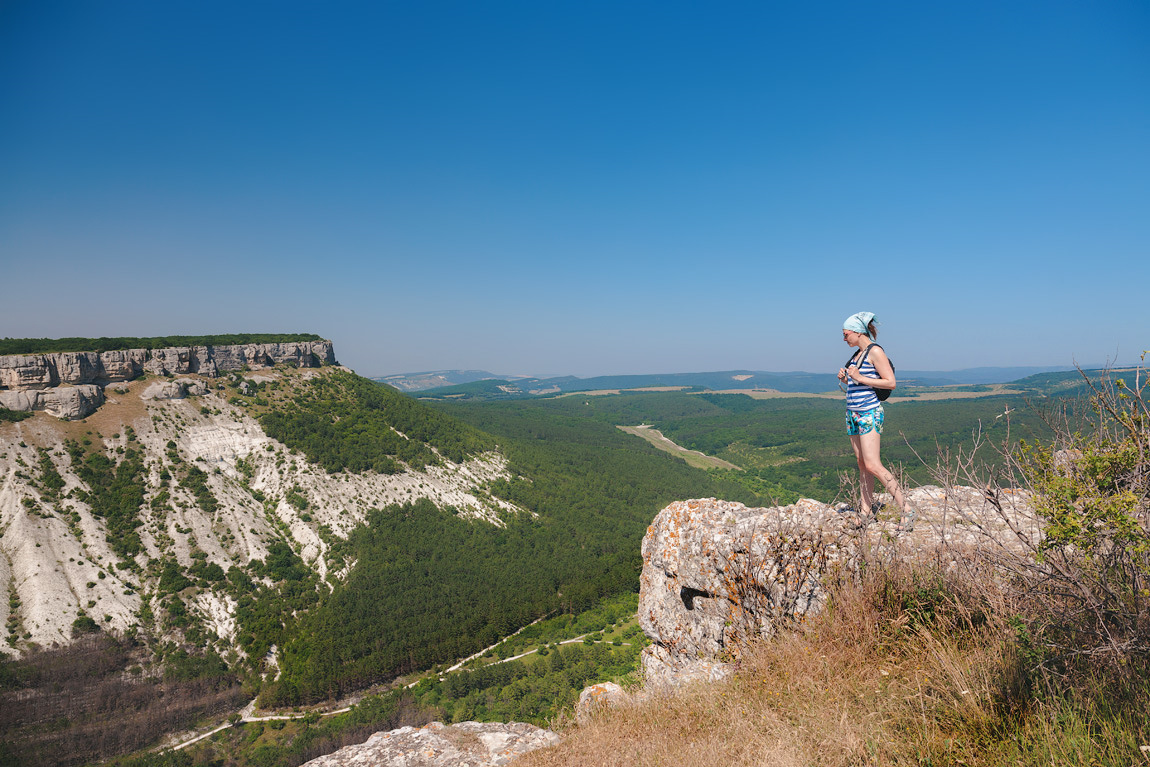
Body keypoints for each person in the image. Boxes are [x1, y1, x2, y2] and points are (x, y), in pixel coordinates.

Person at [837, 311, 913, 530]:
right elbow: (859, 382)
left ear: (858, 331)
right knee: (862, 465)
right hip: (852, 413)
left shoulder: (875, 351)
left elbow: (890, 382)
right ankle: (865, 513)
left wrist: (860, 377)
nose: (844, 339)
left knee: (872, 464)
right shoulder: (857, 355)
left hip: (869, 413)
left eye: (846, 334)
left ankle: (907, 509)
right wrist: (846, 378)